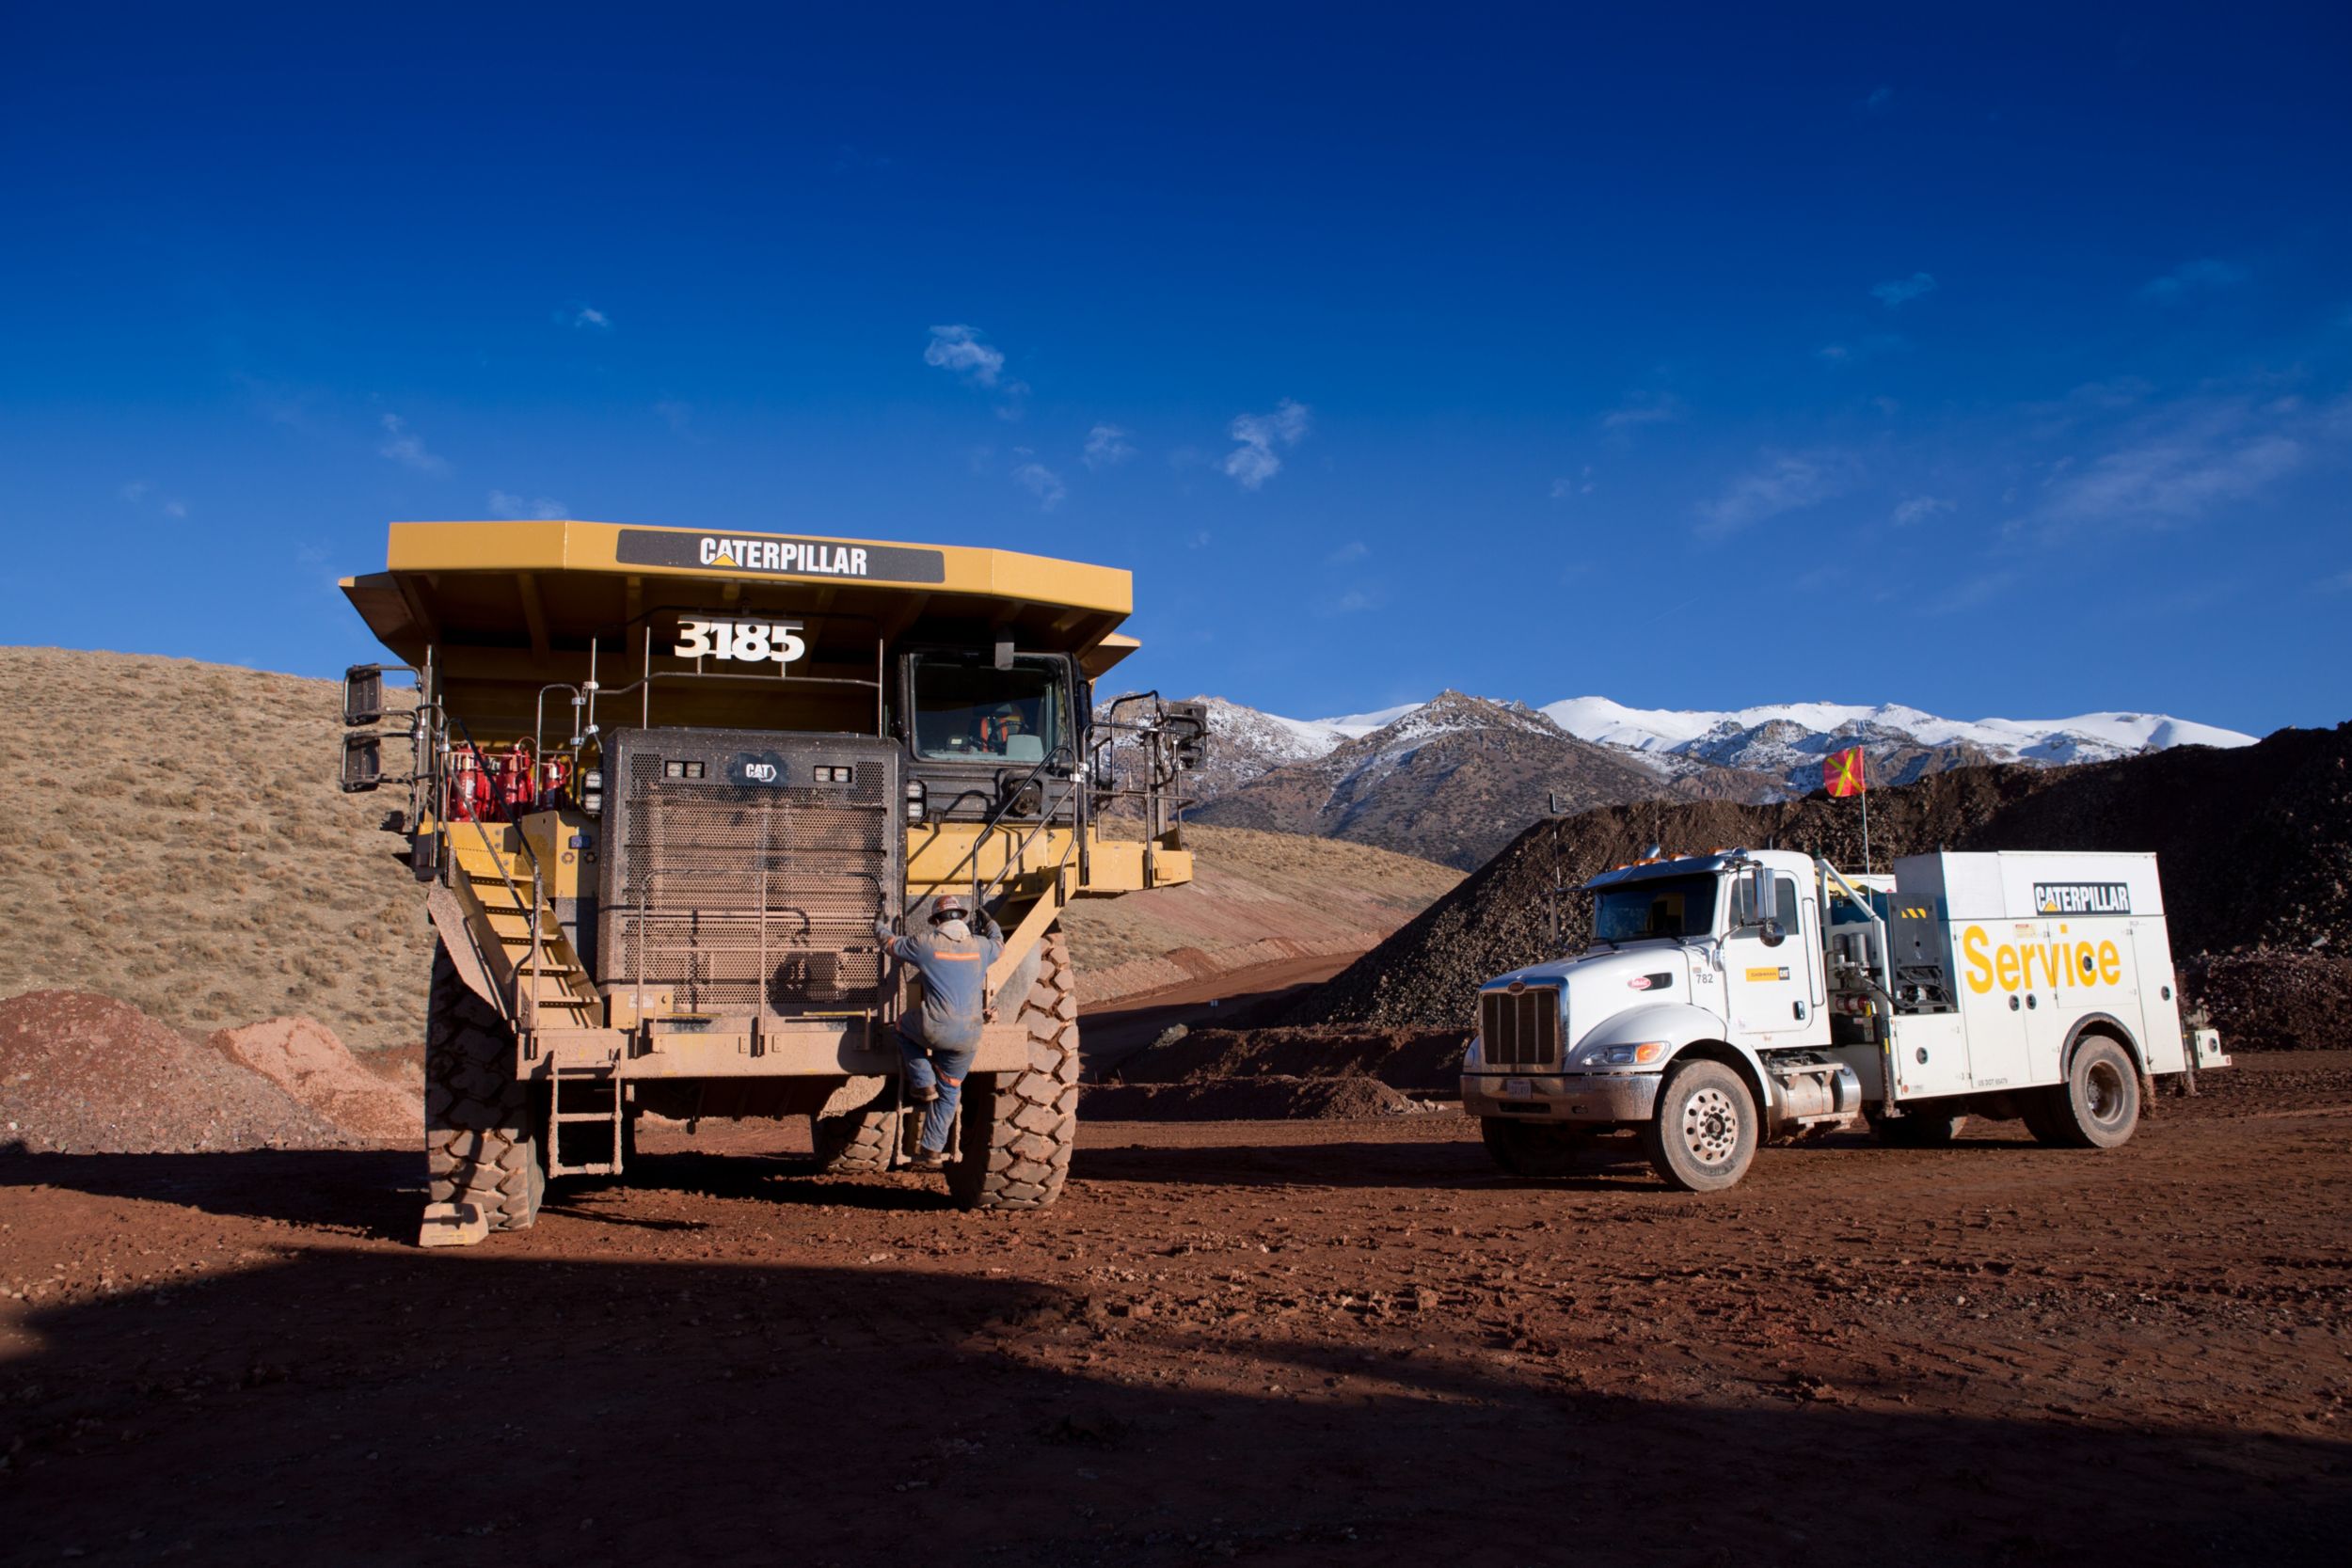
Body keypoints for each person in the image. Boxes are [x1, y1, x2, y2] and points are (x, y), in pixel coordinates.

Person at [873, 893, 1004, 1170]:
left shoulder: (926, 944)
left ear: (936, 921)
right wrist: (989, 921)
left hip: (934, 1027)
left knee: (901, 1027)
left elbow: (890, 944)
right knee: (951, 1090)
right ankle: (931, 1150)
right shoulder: (981, 946)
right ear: (962, 918)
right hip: (970, 1035)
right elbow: (999, 943)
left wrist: (879, 923)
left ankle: (923, 1082)